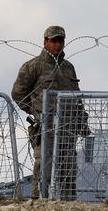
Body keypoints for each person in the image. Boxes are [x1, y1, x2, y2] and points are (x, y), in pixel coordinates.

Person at [11, 25, 88, 200]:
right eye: (53, 40)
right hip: (46, 128)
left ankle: (68, 204)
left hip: (68, 127)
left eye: (60, 40)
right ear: (45, 42)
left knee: (68, 169)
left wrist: (82, 120)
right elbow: (18, 93)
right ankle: (40, 202)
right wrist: (36, 111)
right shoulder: (33, 66)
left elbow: (76, 96)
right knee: (44, 168)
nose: (57, 44)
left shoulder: (68, 68)